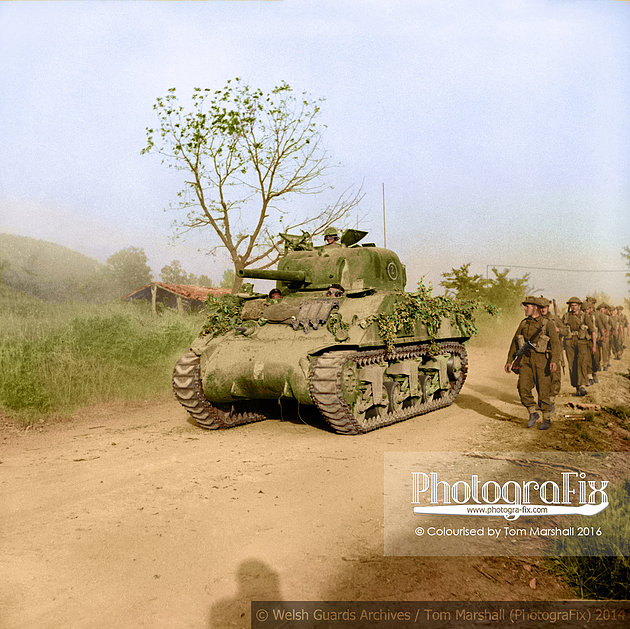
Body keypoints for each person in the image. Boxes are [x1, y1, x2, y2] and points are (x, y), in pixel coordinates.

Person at [505, 296, 561, 430]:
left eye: (527, 306)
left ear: (535, 308)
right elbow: (514, 342)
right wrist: (509, 361)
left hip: (542, 360)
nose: (525, 309)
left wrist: (554, 361)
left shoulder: (547, 323)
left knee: (543, 390)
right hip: (525, 360)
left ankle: (546, 418)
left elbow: (555, 344)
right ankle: (532, 412)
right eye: (525, 306)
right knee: (522, 387)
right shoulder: (523, 323)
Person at [562, 297, 596, 395]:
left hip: (582, 342)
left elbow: (592, 331)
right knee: (572, 364)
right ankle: (576, 386)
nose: (573, 307)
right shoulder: (566, 316)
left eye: (575, 305)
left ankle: (582, 385)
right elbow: (562, 330)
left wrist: (594, 345)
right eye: (572, 305)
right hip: (569, 342)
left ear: (579, 306)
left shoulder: (584, 316)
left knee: (581, 363)